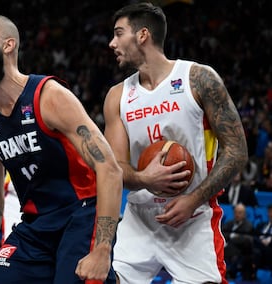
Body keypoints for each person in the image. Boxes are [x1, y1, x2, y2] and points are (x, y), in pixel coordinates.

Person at [0, 14, 123, 284]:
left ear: (9, 45)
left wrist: (102, 249)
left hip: (81, 215)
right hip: (35, 225)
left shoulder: (49, 95)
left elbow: (109, 168)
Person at [103, 2, 248, 284]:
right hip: (140, 219)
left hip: (192, 217)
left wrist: (194, 199)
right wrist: (145, 178)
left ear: (142, 35)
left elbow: (237, 150)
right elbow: (116, 167)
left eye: (119, 33)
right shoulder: (116, 96)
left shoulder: (199, 79)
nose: (112, 43)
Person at [222, 203, 256, 280]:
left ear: (244, 214)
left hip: (238, 249)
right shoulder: (229, 223)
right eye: (236, 212)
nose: (237, 214)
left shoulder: (248, 225)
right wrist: (233, 236)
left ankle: (228, 273)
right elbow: (222, 233)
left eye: (240, 212)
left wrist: (230, 238)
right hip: (225, 245)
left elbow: (245, 239)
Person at [253, 204, 272, 271]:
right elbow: (254, 236)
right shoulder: (261, 225)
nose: (270, 214)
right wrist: (261, 242)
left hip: (269, 248)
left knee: (259, 252)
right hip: (258, 245)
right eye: (269, 212)